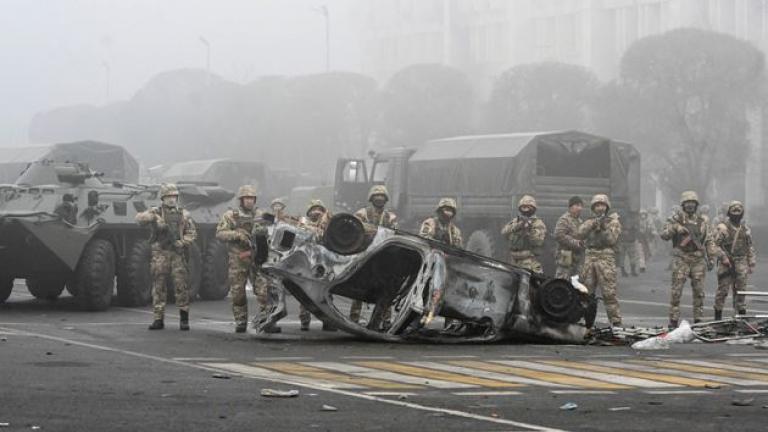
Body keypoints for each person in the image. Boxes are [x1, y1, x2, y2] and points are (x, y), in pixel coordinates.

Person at [136, 183, 197, 331]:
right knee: (159, 286)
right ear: (163, 198)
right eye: (168, 196)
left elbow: (192, 233)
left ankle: (184, 319)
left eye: (174, 196)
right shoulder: (156, 212)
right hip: (160, 253)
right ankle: (158, 319)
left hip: (177, 253)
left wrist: (182, 243)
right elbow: (139, 219)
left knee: (181, 286)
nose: (171, 199)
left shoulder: (184, 214)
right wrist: (154, 218)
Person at [215, 185, 274, 333]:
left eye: (252, 198)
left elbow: (274, 228)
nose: (249, 201)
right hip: (238, 259)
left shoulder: (260, 214)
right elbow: (220, 234)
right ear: (241, 200)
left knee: (264, 291)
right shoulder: (231, 215)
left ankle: (266, 321)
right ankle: (241, 322)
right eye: (247, 198)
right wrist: (237, 235)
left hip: (257, 258)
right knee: (238, 293)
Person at [660, 190, 723, 327]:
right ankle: (673, 320)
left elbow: (709, 240)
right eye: (687, 202)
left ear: (696, 205)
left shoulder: (703, 221)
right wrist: (676, 228)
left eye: (692, 203)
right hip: (681, 258)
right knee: (676, 292)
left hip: (698, 259)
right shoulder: (675, 219)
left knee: (699, 292)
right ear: (683, 204)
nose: (690, 205)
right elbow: (664, 235)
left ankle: (698, 320)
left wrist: (711, 258)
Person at [350, 185, 398, 326]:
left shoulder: (391, 217)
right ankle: (354, 319)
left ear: (385, 199)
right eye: (376, 196)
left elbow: (394, 234)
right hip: (364, 255)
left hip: (384, 258)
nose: (379, 199)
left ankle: (386, 321)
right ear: (371, 198)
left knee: (386, 289)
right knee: (359, 288)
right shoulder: (361, 214)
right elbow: (354, 232)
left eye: (382, 197)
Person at [577, 194, 623, 327]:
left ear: (607, 207)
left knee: (609, 292)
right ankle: (587, 322)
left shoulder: (613, 222)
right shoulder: (589, 221)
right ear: (593, 208)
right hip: (590, 256)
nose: (599, 208)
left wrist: (603, 228)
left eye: (602, 205)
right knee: (586, 292)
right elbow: (579, 233)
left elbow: (611, 240)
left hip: (605, 257)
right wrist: (592, 224)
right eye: (597, 205)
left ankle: (616, 323)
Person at [714, 201, 756, 320]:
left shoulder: (745, 229)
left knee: (741, 292)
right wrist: (723, 257)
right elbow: (714, 246)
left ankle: (740, 319)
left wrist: (751, 262)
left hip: (741, 263)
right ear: (729, 213)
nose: (736, 214)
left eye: (739, 211)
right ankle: (718, 319)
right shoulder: (723, 228)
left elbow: (750, 247)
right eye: (734, 211)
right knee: (722, 291)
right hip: (726, 263)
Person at [300, 199, 336, 331]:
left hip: (325, 262)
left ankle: (328, 322)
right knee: (305, 291)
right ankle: (304, 321)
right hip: (309, 261)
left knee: (326, 292)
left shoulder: (328, 223)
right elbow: (306, 235)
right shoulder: (303, 223)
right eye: (314, 209)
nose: (317, 212)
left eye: (320, 209)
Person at [501, 195, 546, 273]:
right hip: (513, 261)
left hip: (528, 261)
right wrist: (517, 226)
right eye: (523, 207)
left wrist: (528, 230)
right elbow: (504, 233)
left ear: (533, 208)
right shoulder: (516, 221)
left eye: (528, 207)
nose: (525, 209)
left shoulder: (538, 223)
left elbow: (538, 241)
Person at [554, 196, 585, 279]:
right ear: (570, 207)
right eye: (577, 205)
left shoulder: (580, 221)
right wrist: (576, 243)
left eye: (581, 206)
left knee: (576, 282)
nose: (579, 208)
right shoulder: (564, 219)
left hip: (577, 258)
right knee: (562, 281)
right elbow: (559, 235)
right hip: (565, 256)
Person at [616, 212, 643, 277]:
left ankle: (623, 272)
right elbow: (636, 230)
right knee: (632, 256)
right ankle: (632, 271)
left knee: (622, 257)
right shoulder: (632, 221)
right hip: (630, 241)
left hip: (623, 241)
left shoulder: (619, 221)